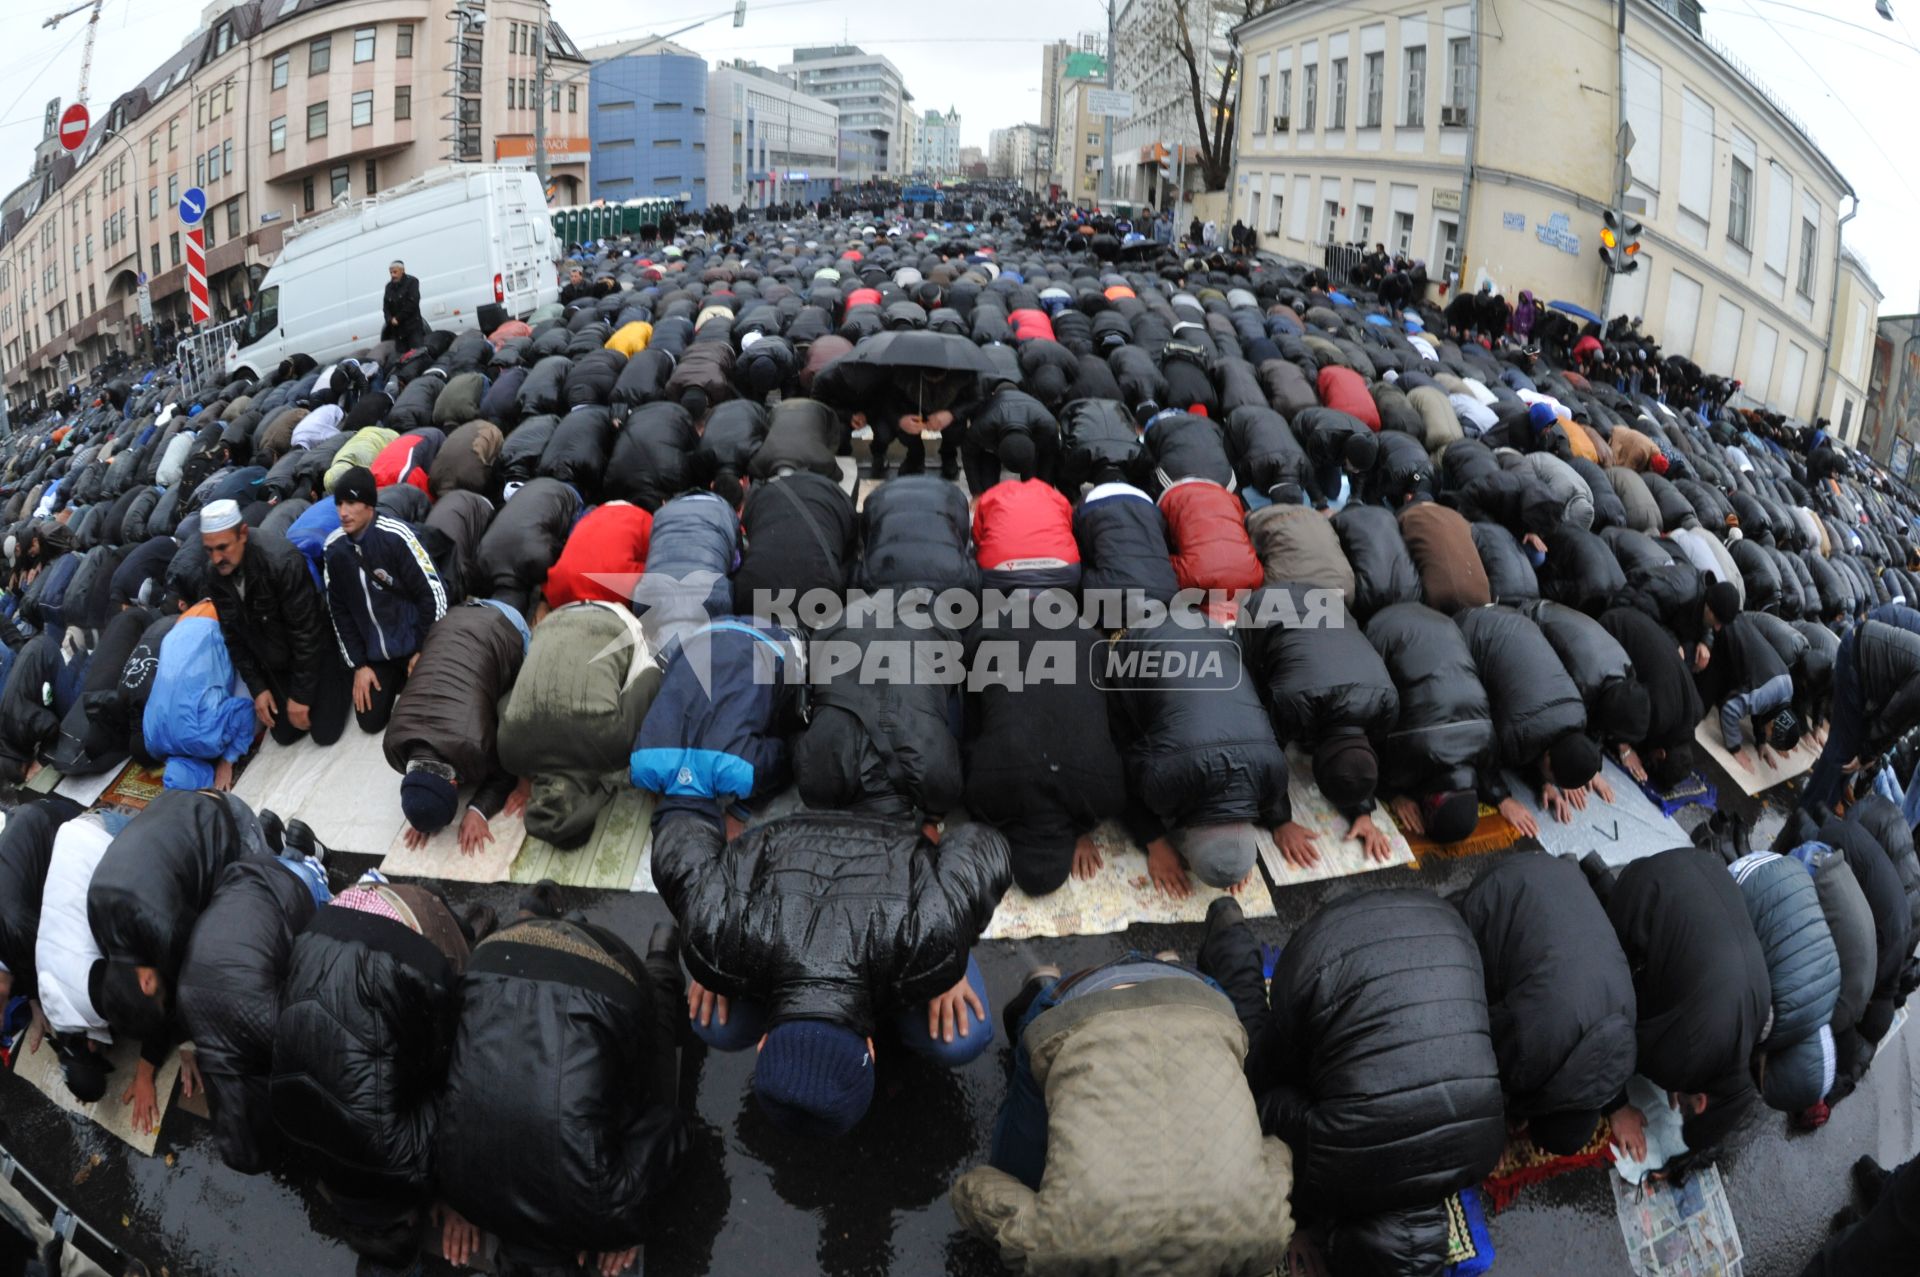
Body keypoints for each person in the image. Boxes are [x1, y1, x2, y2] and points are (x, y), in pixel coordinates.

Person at [651, 805, 1010, 1137]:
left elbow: (987, 844)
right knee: (712, 1021)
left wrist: (950, 956)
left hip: (878, 841)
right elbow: (983, 842)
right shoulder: (718, 936)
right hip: (791, 868)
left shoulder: (926, 939)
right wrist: (709, 951)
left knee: (965, 1036)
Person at [1199, 892, 1506, 1275]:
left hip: (1441, 927)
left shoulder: (1483, 1152)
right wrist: (1292, 1220)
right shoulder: (1331, 1167)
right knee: (1249, 1076)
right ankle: (1229, 938)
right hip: (1327, 949)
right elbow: (1269, 1109)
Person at [951, 949, 1296, 1274]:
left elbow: (1277, 1152)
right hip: (1074, 1008)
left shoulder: (1267, 1239)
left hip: (1200, 998)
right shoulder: (1061, 1251)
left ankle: (1168, 963)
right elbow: (974, 1189)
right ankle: (1042, 987)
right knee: (1016, 1174)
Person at [435, 890, 686, 1275]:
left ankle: (661, 962)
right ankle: (543, 917)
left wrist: (625, 1225)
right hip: (493, 958)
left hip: (606, 978)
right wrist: (458, 1204)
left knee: (656, 1078)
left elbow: (668, 1129)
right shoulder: (456, 1190)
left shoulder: (609, 1211)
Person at [271, 878, 486, 1265]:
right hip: (328, 921)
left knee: (466, 1007)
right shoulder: (292, 1131)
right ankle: (439, 908)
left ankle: (454, 924)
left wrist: (455, 1202)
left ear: (407, 1219)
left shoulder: (404, 1161)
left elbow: (460, 1110)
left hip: (404, 936)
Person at [1591, 847, 1771, 1157]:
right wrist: (1617, 1108)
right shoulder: (1685, 1057)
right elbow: (1608, 1042)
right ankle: (1588, 888)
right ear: (1700, 1102)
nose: (1678, 1105)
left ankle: (1600, 878)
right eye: (1684, 1110)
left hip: (1700, 863)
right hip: (1645, 885)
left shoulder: (1759, 1017)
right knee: (1607, 985)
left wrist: (1684, 1069)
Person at [1455, 854, 1637, 1153]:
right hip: (1497, 887)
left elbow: (1596, 1066)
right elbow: (1480, 1050)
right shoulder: (1532, 1050)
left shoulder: (1627, 1018)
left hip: (1559, 871)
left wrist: (1617, 1104)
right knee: (1465, 990)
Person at [1106, 608, 1288, 896]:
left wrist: (1236, 857)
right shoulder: (1165, 779)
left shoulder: (1274, 774)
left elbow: (1262, 771)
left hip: (1208, 630)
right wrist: (1156, 843)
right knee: (1118, 729)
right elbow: (1123, 779)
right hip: (1139, 641)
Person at [176, 846, 330, 1173]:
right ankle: (284, 847)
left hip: (294, 886)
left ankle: (311, 857)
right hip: (239, 873)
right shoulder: (186, 1008)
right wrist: (189, 1052)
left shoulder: (270, 1027)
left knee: (331, 932)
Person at [385, 599, 530, 854]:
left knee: (520, 705)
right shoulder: (394, 743)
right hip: (450, 620)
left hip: (504, 625)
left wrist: (478, 810)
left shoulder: (475, 744)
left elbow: (505, 772)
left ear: (454, 784)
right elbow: (424, 781)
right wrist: (422, 810)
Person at [203, 499, 352, 747]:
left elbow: (308, 633)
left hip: (312, 652)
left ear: (242, 534)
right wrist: (258, 689)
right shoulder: (214, 575)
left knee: (325, 734)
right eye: (209, 550)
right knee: (285, 734)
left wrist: (301, 696)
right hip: (274, 658)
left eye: (222, 547)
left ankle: (343, 674)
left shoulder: (281, 561)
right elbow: (233, 637)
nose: (217, 558)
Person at [322, 465, 448, 735]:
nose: (343, 512)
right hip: (377, 653)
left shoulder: (396, 536)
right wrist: (360, 665)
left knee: (431, 712)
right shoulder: (335, 552)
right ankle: (397, 680)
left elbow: (434, 592)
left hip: (414, 640)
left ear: (368, 504)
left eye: (351, 502)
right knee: (370, 720)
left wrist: (425, 648)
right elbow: (339, 613)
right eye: (339, 503)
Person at [382, 260, 426, 350]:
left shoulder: (412, 282)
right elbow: (386, 307)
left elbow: (413, 303)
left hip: (412, 328)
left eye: (395, 272)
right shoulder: (389, 287)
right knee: (402, 357)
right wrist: (390, 319)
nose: (393, 275)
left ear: (402, 270)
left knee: (418, 353)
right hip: (398, 332)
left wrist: (398, 318)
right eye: (391, 273)